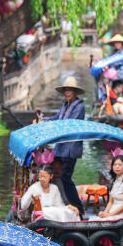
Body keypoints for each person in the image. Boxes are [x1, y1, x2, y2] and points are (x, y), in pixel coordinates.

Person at [42, 76, 86, 216]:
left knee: (66, 177)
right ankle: (67, 205)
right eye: (66, 90)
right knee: (61, 177)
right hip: (61, 148)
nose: (67, 92)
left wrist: (52, 124)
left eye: (70, 90)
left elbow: (68, 123)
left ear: (75, 92)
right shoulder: (65, 105)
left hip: (71, 148)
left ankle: (79, 208)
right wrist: (44, 120)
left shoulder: (79, 107)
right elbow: (57, 118)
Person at [96, 154, 123, 220]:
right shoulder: (114, 181)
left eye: (120, 165)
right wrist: (105, 212)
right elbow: (110, 202)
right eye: (115, 165)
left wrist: (110, 215)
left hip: (122, 213)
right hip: (111, 211)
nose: (117, 167)